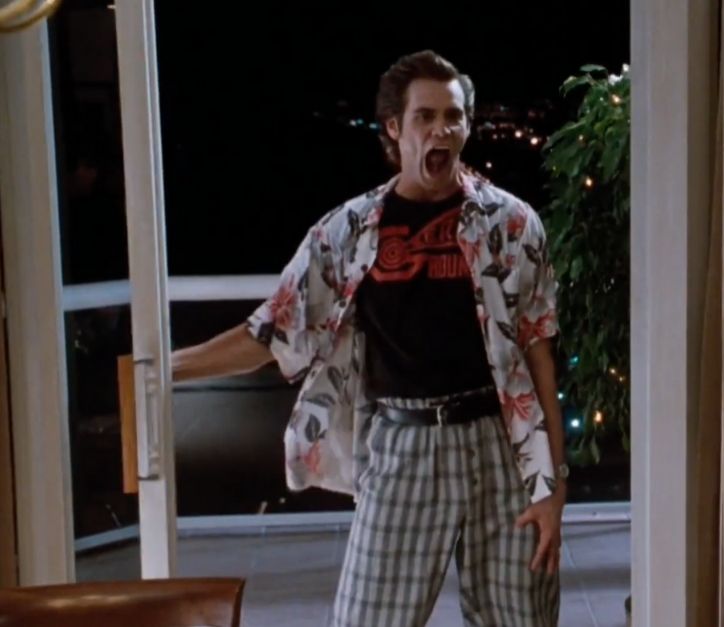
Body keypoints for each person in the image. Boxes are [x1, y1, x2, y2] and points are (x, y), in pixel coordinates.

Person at [171, 50, 565, 627]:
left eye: (453, 116)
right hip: (404, 444)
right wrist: (165, 369)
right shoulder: (350, 230)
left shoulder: (510, 223)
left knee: (521, 618)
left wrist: (553, 484)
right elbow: (274, 330)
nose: (442, 130)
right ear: (394, 128)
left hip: (502, 446)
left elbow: (538, 350)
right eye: (425, 116)